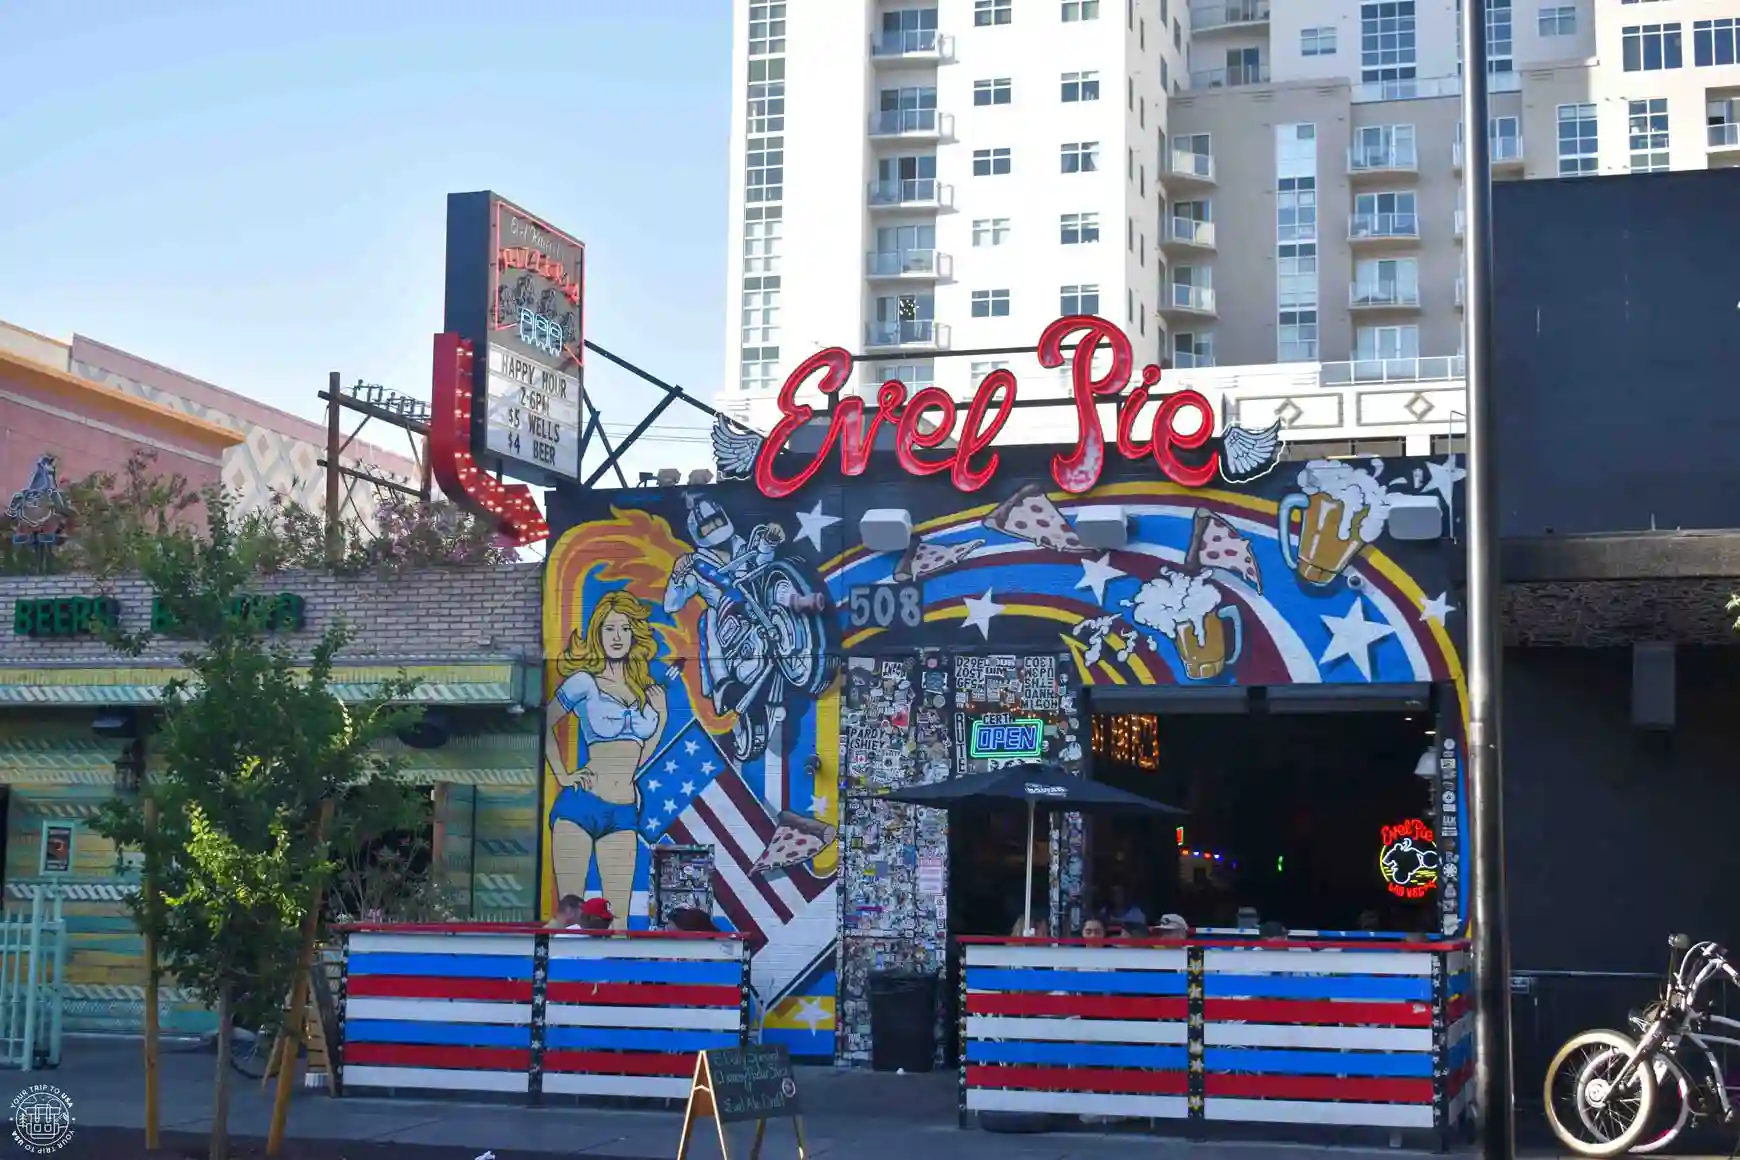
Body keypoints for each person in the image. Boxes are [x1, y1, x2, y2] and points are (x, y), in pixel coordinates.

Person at [546, 591, 668, 930]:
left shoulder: (643, 691)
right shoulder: (586, 682)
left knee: (619, 922)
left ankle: (612, 983)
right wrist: (563, 775)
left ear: (634, 634)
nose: (617, 637)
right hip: (581, 805)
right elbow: (545, 721)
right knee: (569, 917)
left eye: (624, 628)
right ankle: (548, 980)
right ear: (598, 634)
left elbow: (639, 754)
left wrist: (661, 713)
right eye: (609, 628)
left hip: (623, 811)